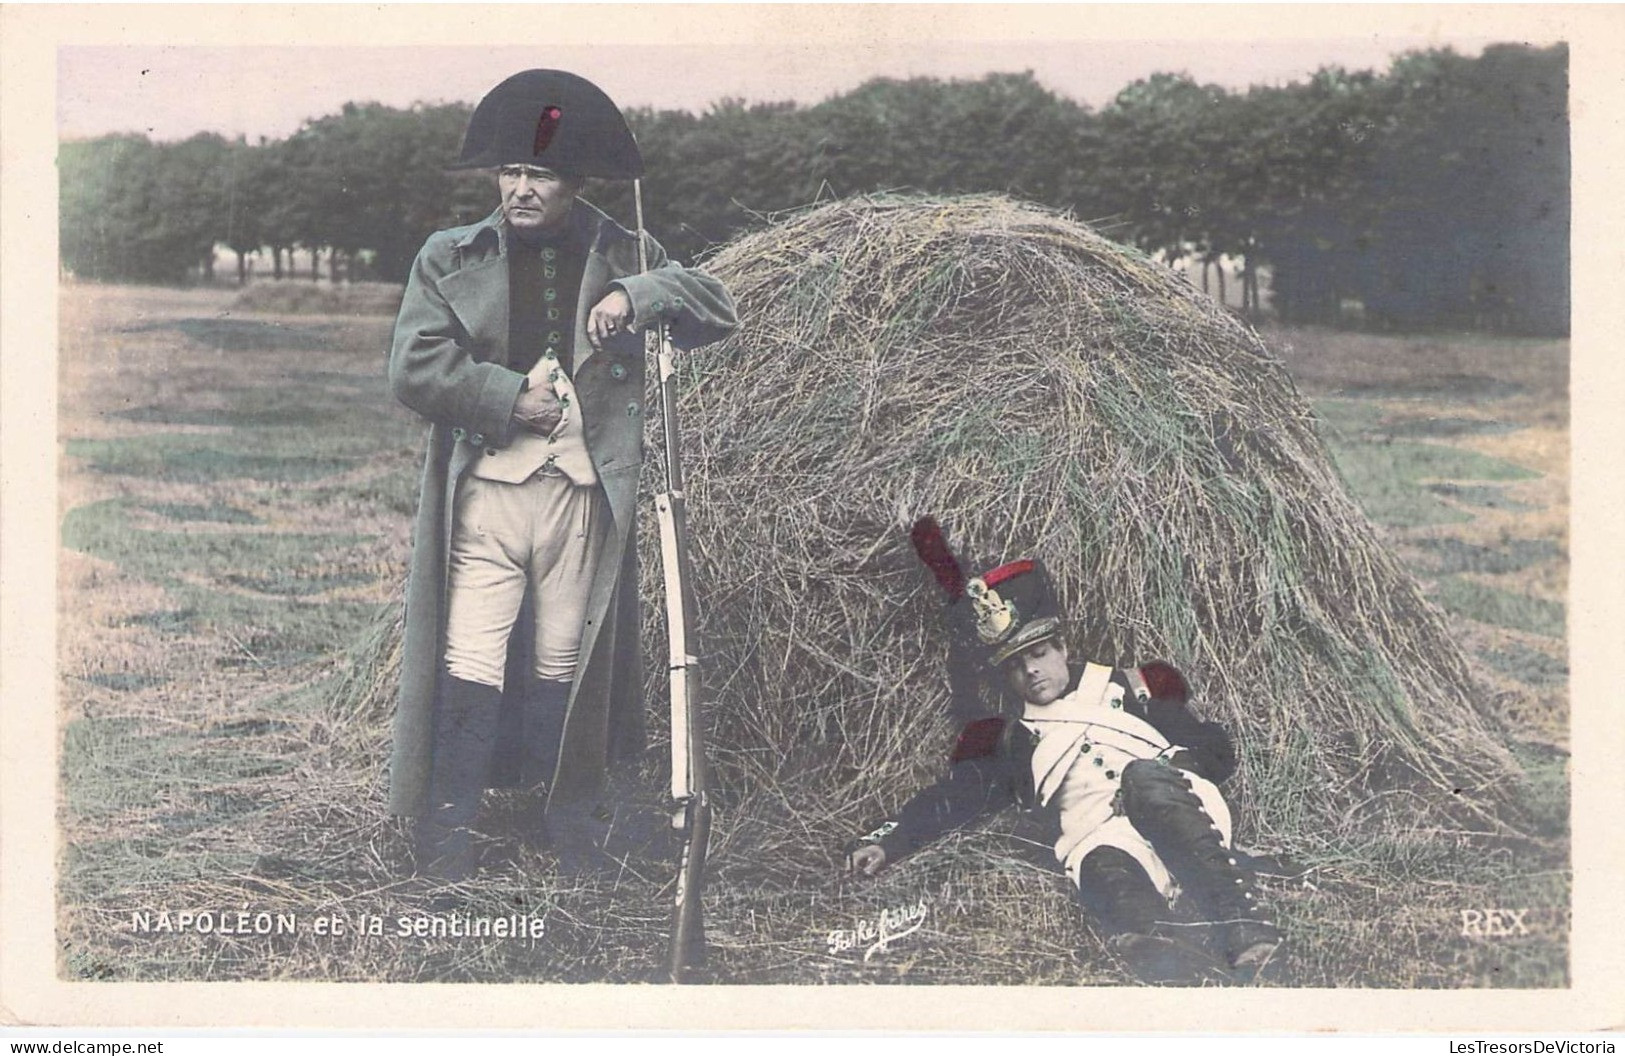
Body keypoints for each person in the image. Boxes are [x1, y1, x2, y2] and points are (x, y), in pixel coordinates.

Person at [386, 69, 738, 881]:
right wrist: (509, 399)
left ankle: (566, 819)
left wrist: (637, 292)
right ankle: (446, 834)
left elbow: (716, 310)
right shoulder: (449, 255)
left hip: (582, 497)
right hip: (486, 498)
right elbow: (413, 367)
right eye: (509, 172)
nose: (519, 188)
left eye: (539, 174)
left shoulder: (626, 248)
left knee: (561, 661)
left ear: (574, 182)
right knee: (470, 654)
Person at [846, 524, 1284, 983]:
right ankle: (1169, 957)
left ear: (1062, 647)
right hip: (1104, 837)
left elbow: (1216, 749)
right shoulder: (1014, 740)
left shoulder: (1128, 688)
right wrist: (889, 840)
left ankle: (1244, 929)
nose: (1030, 671)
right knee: (1101, 868)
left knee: (1145, 781)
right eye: (1014, 665)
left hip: (1178, 806)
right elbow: (957, 798)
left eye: (1037, 652)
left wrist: (1175, 763)